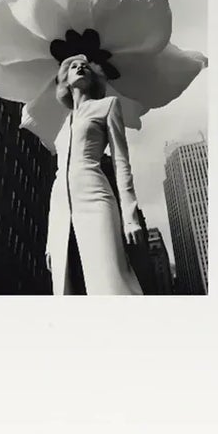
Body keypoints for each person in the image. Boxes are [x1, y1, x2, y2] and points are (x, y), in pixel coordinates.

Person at [45, 54, 145, 296]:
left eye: (86, 67)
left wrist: (130, 216)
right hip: (62, 209)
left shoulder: (107, 106)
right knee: (65, 287)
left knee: (110, 279)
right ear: (65, 81)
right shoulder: (61, 127)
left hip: (96, 197)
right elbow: (59, 177)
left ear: (94, 79)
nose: (80, 67)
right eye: (73, 67)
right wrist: (50, 238)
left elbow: (121, 162)